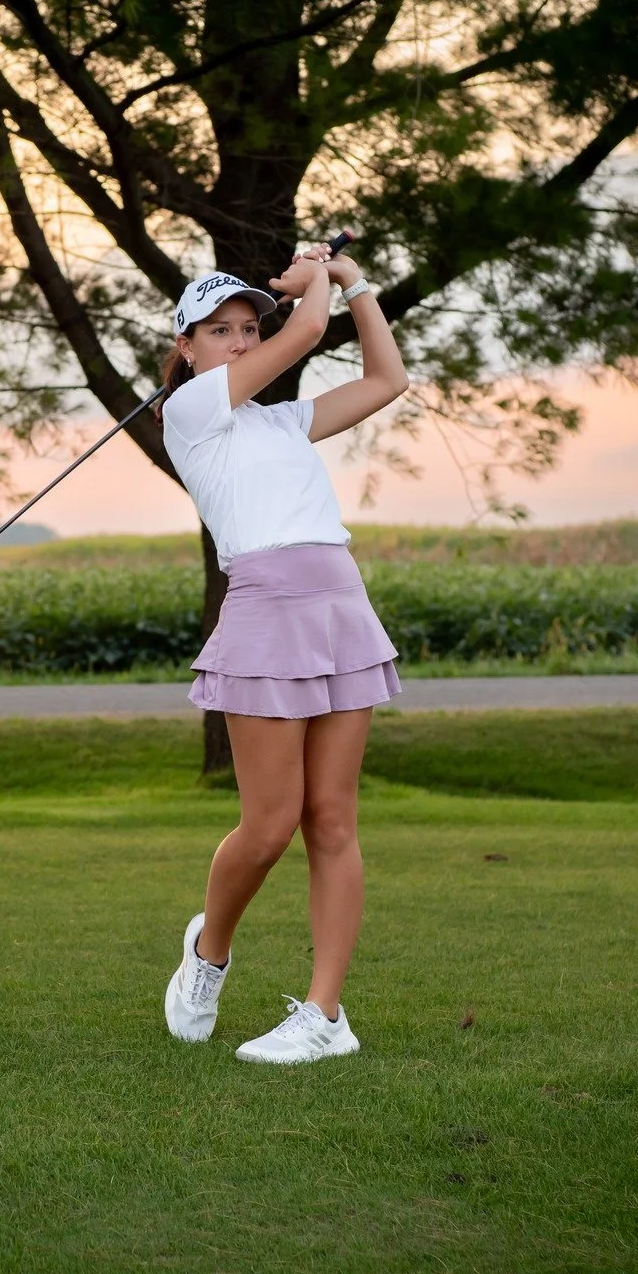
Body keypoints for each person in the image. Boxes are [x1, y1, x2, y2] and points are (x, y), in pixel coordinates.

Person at [159, 242, 409, 1064]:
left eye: (246, 327)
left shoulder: (282, 421)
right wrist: (311, 286)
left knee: (332, 820)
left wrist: (355, 285)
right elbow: (302, 335)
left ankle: (325, 1016)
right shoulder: (190, 415)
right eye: (220, 330)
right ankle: (209, 953)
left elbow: (385, 382)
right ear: (188, 349)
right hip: (266, 609)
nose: (239, 340)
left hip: (338, 600)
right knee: (268, 826)